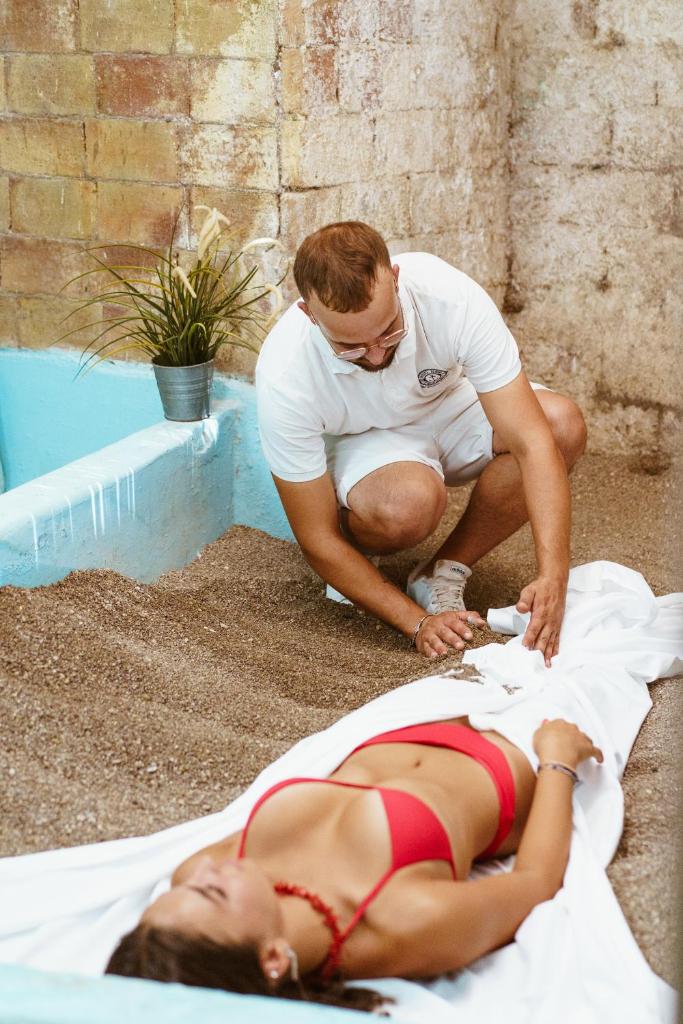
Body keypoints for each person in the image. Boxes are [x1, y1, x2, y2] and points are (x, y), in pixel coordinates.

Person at [106, 715, 603, 1012]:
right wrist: (558, 759)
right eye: (211, 893)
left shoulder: (206, 875)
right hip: (517, 747)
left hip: (417, 714)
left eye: (181, 890)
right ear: (273, 959)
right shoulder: (406, 921)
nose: (202, 874)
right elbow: (535, 883)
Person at [255, 222, 587, 667]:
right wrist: (415, 623)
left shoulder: (448, 297)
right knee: (408, 504)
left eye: (388, 332)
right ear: (310, 315)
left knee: (561, 425)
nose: (376, 355)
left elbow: (532, 441)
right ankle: (365, 570)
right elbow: (315, 536)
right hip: (369, 439)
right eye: (351, 347)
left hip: (450, 403)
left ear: (395, 278)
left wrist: (554, 576)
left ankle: (441, 571)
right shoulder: (284, 370)